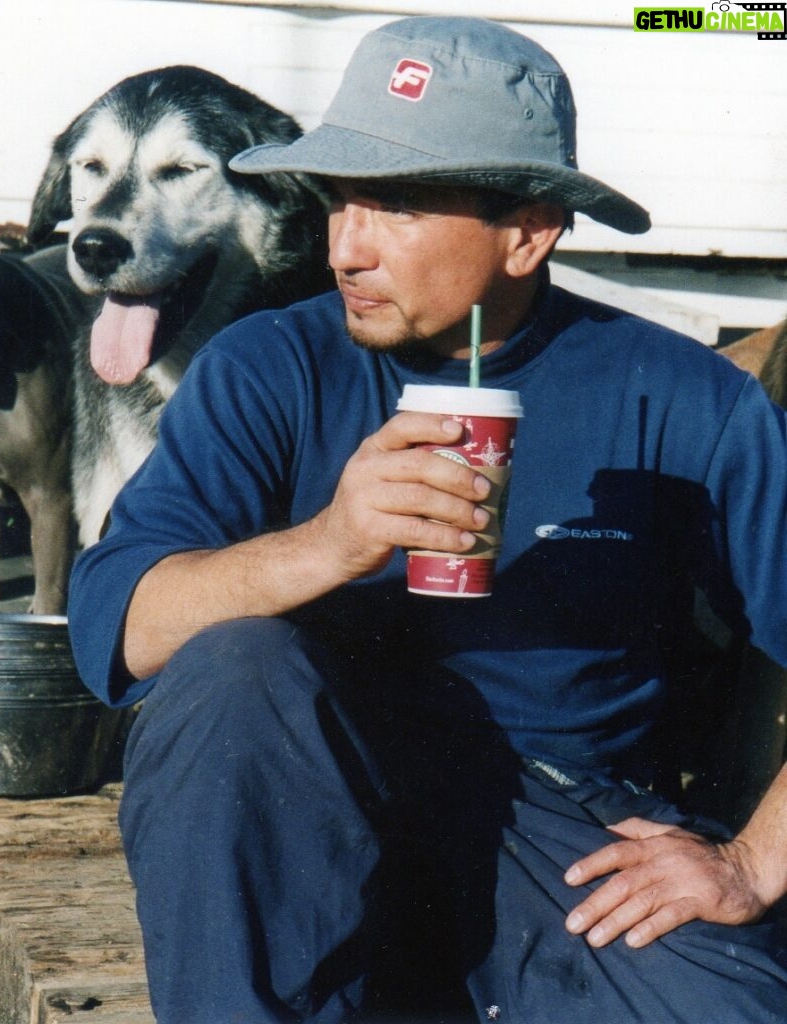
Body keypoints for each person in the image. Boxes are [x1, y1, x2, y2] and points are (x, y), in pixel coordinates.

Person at [68, 16, 787, 1023]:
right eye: (338, 198)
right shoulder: (269, 366)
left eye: (396, 204)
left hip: (560, 829)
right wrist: (330, 542)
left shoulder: (679, 398)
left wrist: (749, 864)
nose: (345, 245)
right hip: (304, 804)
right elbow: (119, 626)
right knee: (233, 673)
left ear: (527, 232)